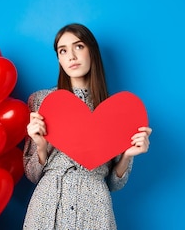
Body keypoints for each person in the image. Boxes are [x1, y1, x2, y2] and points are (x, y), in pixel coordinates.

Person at [22, 23, 152, 229]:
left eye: (79, 46)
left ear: (92, 50)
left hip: (94, 210)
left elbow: (114, 184)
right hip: (47, 208)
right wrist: (40, 145)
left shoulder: (118, 111)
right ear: (59, 59)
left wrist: (128, 155)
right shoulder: (41, 101)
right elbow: (32, 174)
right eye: (63, 51)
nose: (71, 56)